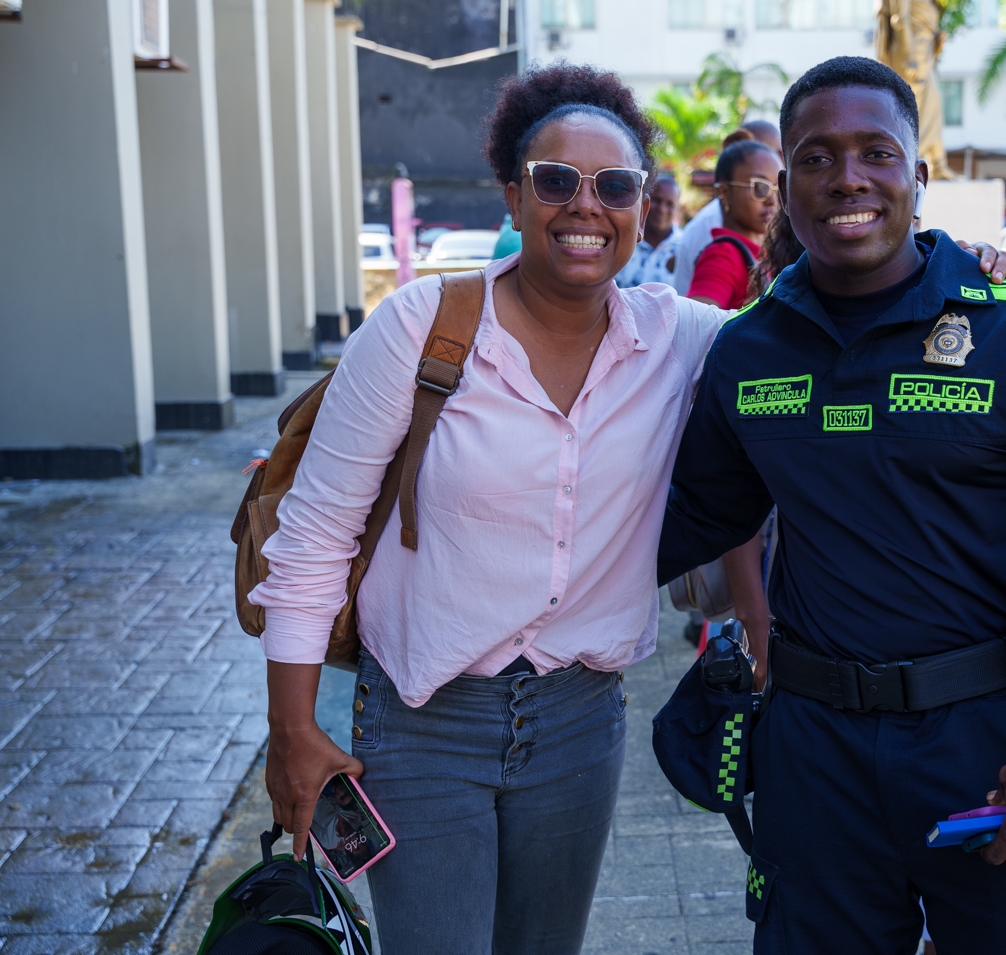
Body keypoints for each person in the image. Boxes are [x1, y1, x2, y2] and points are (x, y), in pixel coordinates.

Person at [657, 55, 1006, 954]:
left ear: (918, 176)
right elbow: (688, 521)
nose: (846, 177)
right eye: (815, 158)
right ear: (783, 187)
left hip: (997, 749)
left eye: (876, 153)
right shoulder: (747, 351)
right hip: (814, 758)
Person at [249, 62, 739, 955]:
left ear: (641, 205)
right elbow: (313, 535)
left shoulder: (682, 339)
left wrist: (960, 268)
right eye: (556, 181)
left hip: (582, 724)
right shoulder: (419, 328)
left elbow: (822, 327)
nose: (585, 206)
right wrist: (293, 729)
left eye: (615, 185)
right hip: (421, 725)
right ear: (514, 196)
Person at [673, 119, 783, 294]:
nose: (772, 200)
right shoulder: (723, 252)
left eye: (776, 189)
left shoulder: (756, 245)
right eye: (760, 186)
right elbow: (703, 317)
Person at [615, 175, 683, 287]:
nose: (662, 209)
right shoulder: (624, 239)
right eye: (657, 200)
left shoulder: (683, 247)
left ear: (678, 209)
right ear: (644, 203)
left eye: (670, 204)